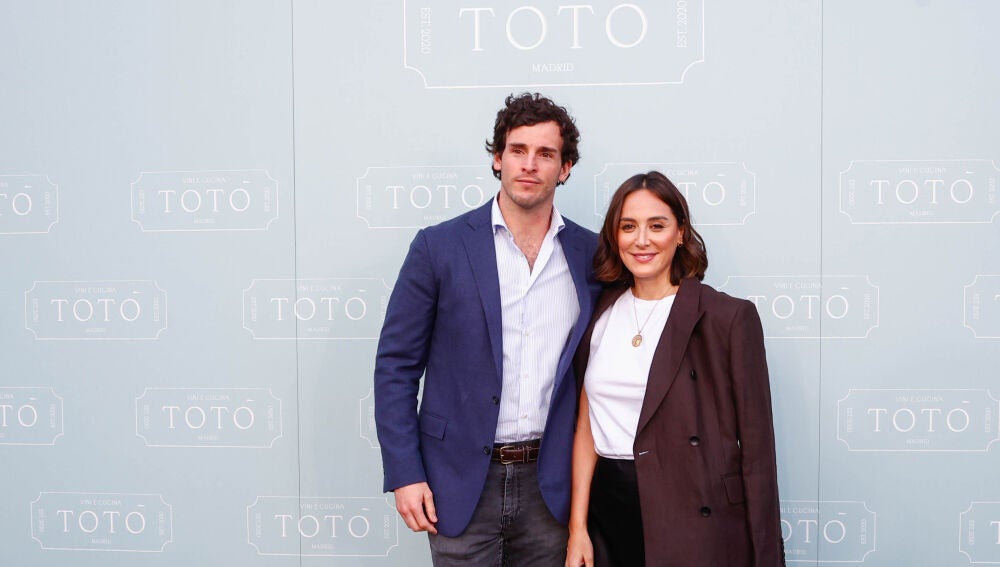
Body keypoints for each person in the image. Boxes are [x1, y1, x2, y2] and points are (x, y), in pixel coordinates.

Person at [375, 93, 602, 566]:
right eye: (518, 150)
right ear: (498, 159)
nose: (529, 164)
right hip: (457, 481)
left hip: (552, 486)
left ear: (565, 168)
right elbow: (396, 367)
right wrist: (405, 473)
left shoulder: (592, 256)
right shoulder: (438, 247)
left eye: (545, 154)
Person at [565, 171, 785, 566]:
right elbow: (586, 428)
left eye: (657, 225)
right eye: (628, 226)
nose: (642, 240)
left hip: (692, 512)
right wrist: (577, 528)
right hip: (608, 513)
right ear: (614, 236)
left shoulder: (726, 318)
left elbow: (757, 453)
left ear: (680, 232)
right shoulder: (600, 312)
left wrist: (766, 556)